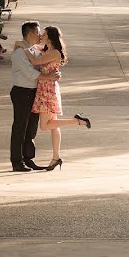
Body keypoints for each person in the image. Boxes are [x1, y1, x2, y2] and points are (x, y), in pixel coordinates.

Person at [20, 25, 92, 171]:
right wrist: (26, 46)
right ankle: (56, 157)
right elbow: (35, 49)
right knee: (54, 125)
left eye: (44, 34)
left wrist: (23, 49)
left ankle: (78, 121)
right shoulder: (46, 49)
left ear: (51, 37)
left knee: (45, 125)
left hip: (48, 90)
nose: (41, 36)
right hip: (46, 88)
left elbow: (34, 61)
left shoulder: (55, 53)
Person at [9, 21, 59, 172]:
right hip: (22, 92)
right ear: (30, 34)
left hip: (34, 93)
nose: (40, 36)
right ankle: (17, 161)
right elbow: (31, 74)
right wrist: (49, 76)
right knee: (20, 127)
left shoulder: (33, 49)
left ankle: (28, 158)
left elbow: (46, 58)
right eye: (38, 33)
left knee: (31, 128)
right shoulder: (19, 53)